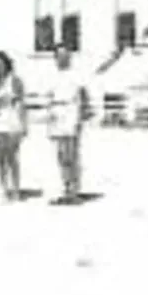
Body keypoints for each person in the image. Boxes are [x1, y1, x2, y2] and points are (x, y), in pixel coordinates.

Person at [44, 48, 92, 204]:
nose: (62, 59)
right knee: (61, 154)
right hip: (57, 113)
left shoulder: (76, 75)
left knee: (71, 153)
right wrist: (49, 114)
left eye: (65, 56)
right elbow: (49, 97)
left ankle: (74, 191)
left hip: (71, 112)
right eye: (59, 56)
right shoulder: (51, 76)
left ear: (69, 57)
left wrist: (83, 113)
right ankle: (66, 188)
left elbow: (84, 95)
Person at [0, 51, 27, 201]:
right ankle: (4, 188)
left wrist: (23, 124)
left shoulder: (14, 80)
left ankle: (16, 188)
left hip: (12, 120)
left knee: (12, 157)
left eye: (1, 64)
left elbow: (20, 103)